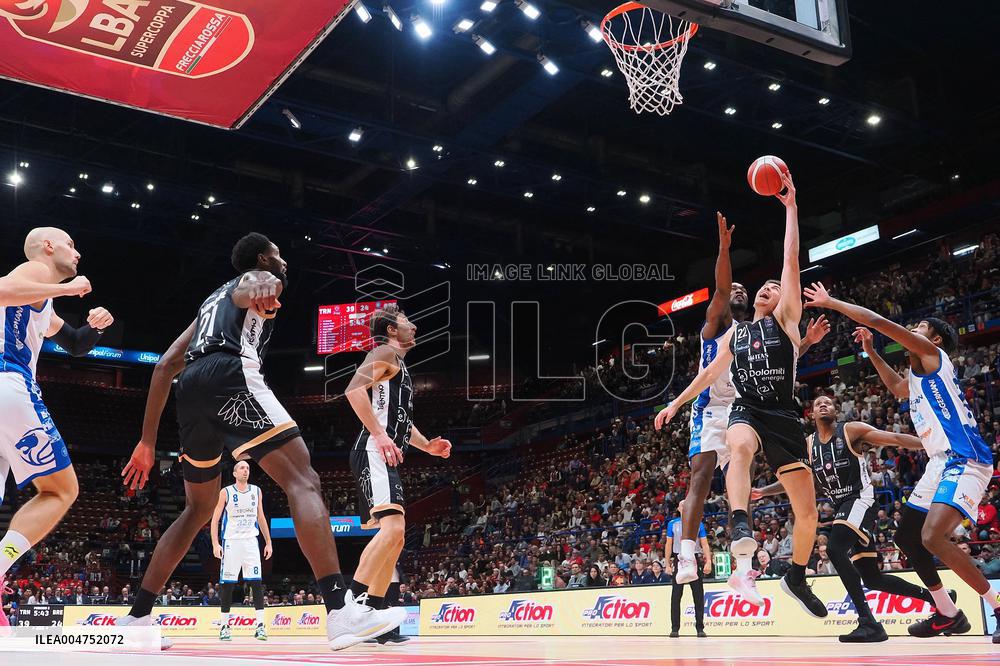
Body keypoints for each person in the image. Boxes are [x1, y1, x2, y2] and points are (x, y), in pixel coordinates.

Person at [118, 233, 405, 650]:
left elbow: (164, 367)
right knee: (303, 481)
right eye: (278, 254)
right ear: (261, 257)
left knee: (197, 509)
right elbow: (254, 285)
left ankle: (138, 618)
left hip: (191, 390)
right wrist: (267, 286)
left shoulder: (207, 305)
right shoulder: (256, 277)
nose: (284, 262)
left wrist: (146, 443)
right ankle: (340, 611)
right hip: (232, 375)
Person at [656, 172, 827, 618]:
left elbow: (791, 262)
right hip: (743, 409)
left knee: (806, 514)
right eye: (765, 287)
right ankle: (739, 533)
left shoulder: (788, 319)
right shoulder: (736, 332)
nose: (771, 288)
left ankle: (796, 576)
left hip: (784, 416)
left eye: (774, 287)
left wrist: (790, 208)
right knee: (738, 444)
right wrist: (675, 402)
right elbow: (710, 371)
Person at [804, 285, 1000, 643]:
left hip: (966, 459)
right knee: (907, 537)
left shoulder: (933, 354)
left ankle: (996, 604)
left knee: (932, 536)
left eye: (922, 325)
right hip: (940, 464)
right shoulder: (918, 375)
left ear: (935, 337)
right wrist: (869, 352)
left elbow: (878, 321)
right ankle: (948, 613)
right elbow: (897, 388)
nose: (915, 328)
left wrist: (831, 303)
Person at [755, 394, 945, 641]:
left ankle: (868, 623)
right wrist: (764, 491)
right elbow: (798, 479)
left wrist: (933, 445)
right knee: (872, 578)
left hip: (860, 500)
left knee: (834, 549)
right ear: (811, 414)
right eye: (818, 403)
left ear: (835, 411)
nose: (823, 405)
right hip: (844, 508)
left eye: (828, 403)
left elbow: (896, 438)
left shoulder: (851, 431)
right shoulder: (809, 445)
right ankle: (939, 599)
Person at [0, 228, 113, 629]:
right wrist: (70, 290)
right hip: (9, 382)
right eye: (70, 244)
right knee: (61, 489)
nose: (77, 253)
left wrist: (97, 325)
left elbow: (77, 344)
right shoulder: (34, 271)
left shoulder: (41, 294)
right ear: (49, 247)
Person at [345, 304, 451, 645]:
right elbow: (352, 390)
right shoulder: (384, 351)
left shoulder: (397, 363)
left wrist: (426, 446)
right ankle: (351, 608)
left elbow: (401, 421)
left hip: (382, 452)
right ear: (391, 329)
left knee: (396, 537)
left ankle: (376, 622)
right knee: (393, 529)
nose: (414, 325)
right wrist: (378, 434)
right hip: (372, 450)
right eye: (407, 320)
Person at [210, 460, 271, 641]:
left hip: (251, 542)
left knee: (256, 584)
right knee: (228, 584)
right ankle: (224, 627)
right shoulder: (226, 492)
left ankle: (260, 626)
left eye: (248, 468)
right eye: (242, 468)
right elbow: (215, 520)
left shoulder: (256, 491)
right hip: (231, 543)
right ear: (235, 473)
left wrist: (268, 541)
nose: (246, 471)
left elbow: (260, 517)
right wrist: (215, 543)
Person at [664, 499, 711, 638]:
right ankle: (675, 628)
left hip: (694, 559)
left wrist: (708, 561)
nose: (684, 506)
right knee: (676, 596)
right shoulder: (672, 524)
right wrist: (667, 564)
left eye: (687, 504)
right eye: (682, 504)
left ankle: (700, 628)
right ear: (678, 508)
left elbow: (705, 544)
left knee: (698, 596)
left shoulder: (698, 523)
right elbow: (668, 544)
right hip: (680, 559)